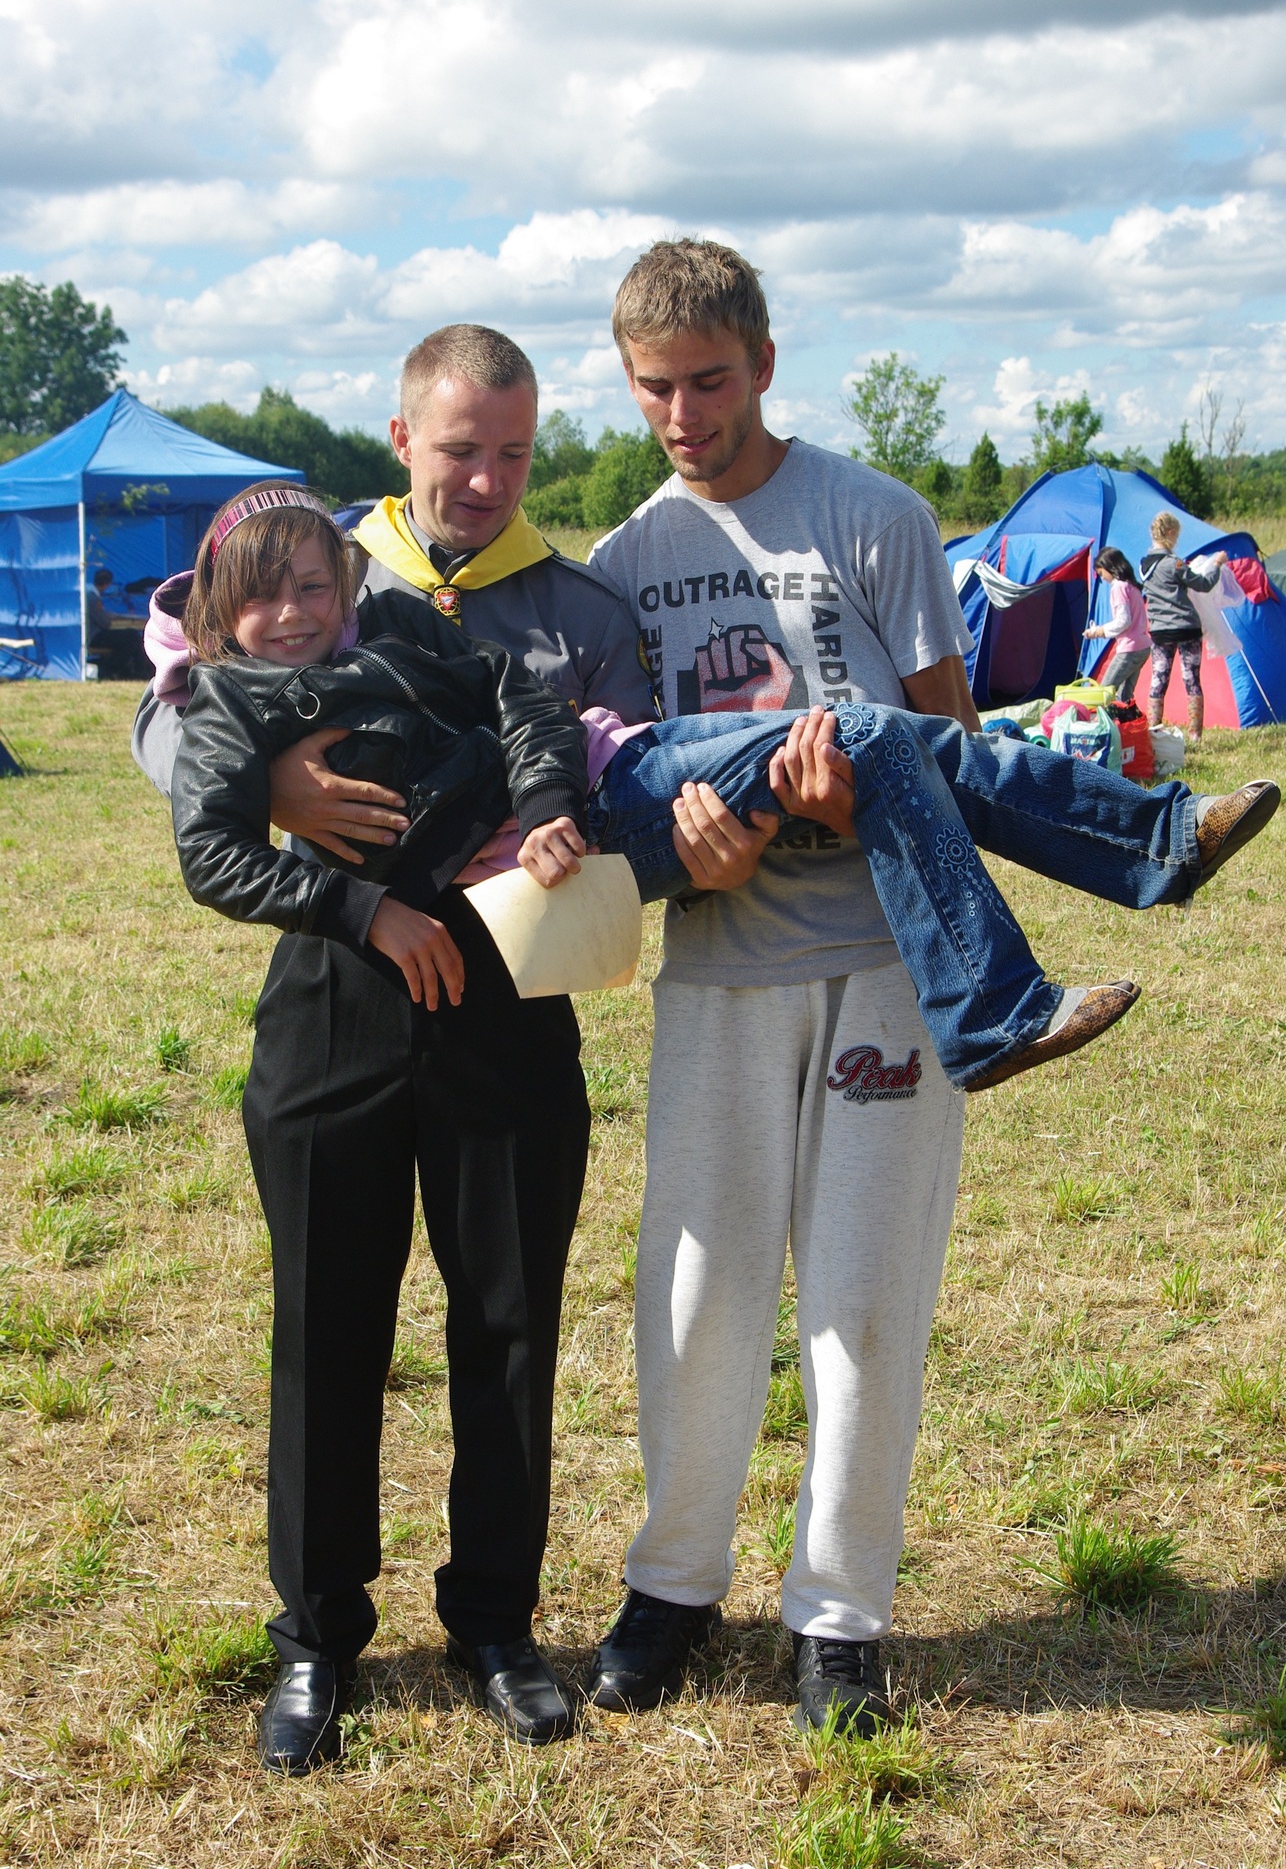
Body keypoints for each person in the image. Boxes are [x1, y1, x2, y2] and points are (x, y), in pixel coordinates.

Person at [574, 239, 1264, 1737]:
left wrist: (838, 802)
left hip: (886, 957)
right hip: (721, 966)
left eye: (708, 381)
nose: (683, 415)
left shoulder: (873, 517)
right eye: (653, 389)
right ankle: (670, 1587)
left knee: (864, 1304)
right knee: (693, 1306)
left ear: (763, 362)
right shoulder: (620, 564)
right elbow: (617, 785)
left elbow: (949, 751)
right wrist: (700, 847)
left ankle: (838, 1620)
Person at [131, 328, 663, 1770]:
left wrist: (552, 804)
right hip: (333, 1012)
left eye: (511, 452)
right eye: (457, 448)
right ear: (402, 440)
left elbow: (552, 716)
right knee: (326, 1331)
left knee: (507, 1323)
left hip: (505, 998)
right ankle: (316, 1637)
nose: (483, 476)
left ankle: (494, 1624)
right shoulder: (303, 579)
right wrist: (284, 790)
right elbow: (177, 755)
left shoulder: (518, 608)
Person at [159, 497, 1276, 1097]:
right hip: (583, 845)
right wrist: (362, 904)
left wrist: (543, 793)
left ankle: (1155, 844)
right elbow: (211, 853)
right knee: (864, 737)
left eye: (315, 585)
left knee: (888, 740)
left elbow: (518, 693)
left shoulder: (386, 625)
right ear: (217, 606)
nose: (295, 613)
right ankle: (1009, 994)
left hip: (599, 773)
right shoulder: (224, 704)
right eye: (264, 597)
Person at [1140, 511, 1226, 744]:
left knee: (1158, 679)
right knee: (1191, 680)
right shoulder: (1175, 564)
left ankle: (1153, 731)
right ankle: (1195, 734)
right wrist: (1217, 564)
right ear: (1170, 533)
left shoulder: (1143, 565)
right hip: (1187, 628)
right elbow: (1204, 584)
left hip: (1160, 631)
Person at [1084, 547, 1150, 701]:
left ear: (1109, 567)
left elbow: (1123, 620)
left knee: (1104, 692)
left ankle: (1104, 717)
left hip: (1129, 648)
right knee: (1125, 696)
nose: (1103, 579)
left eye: (1102, 574)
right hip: (1143, 646)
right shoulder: (1132, 586)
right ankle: (1127, 716)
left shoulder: (1118, 587)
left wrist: (1100, 631)